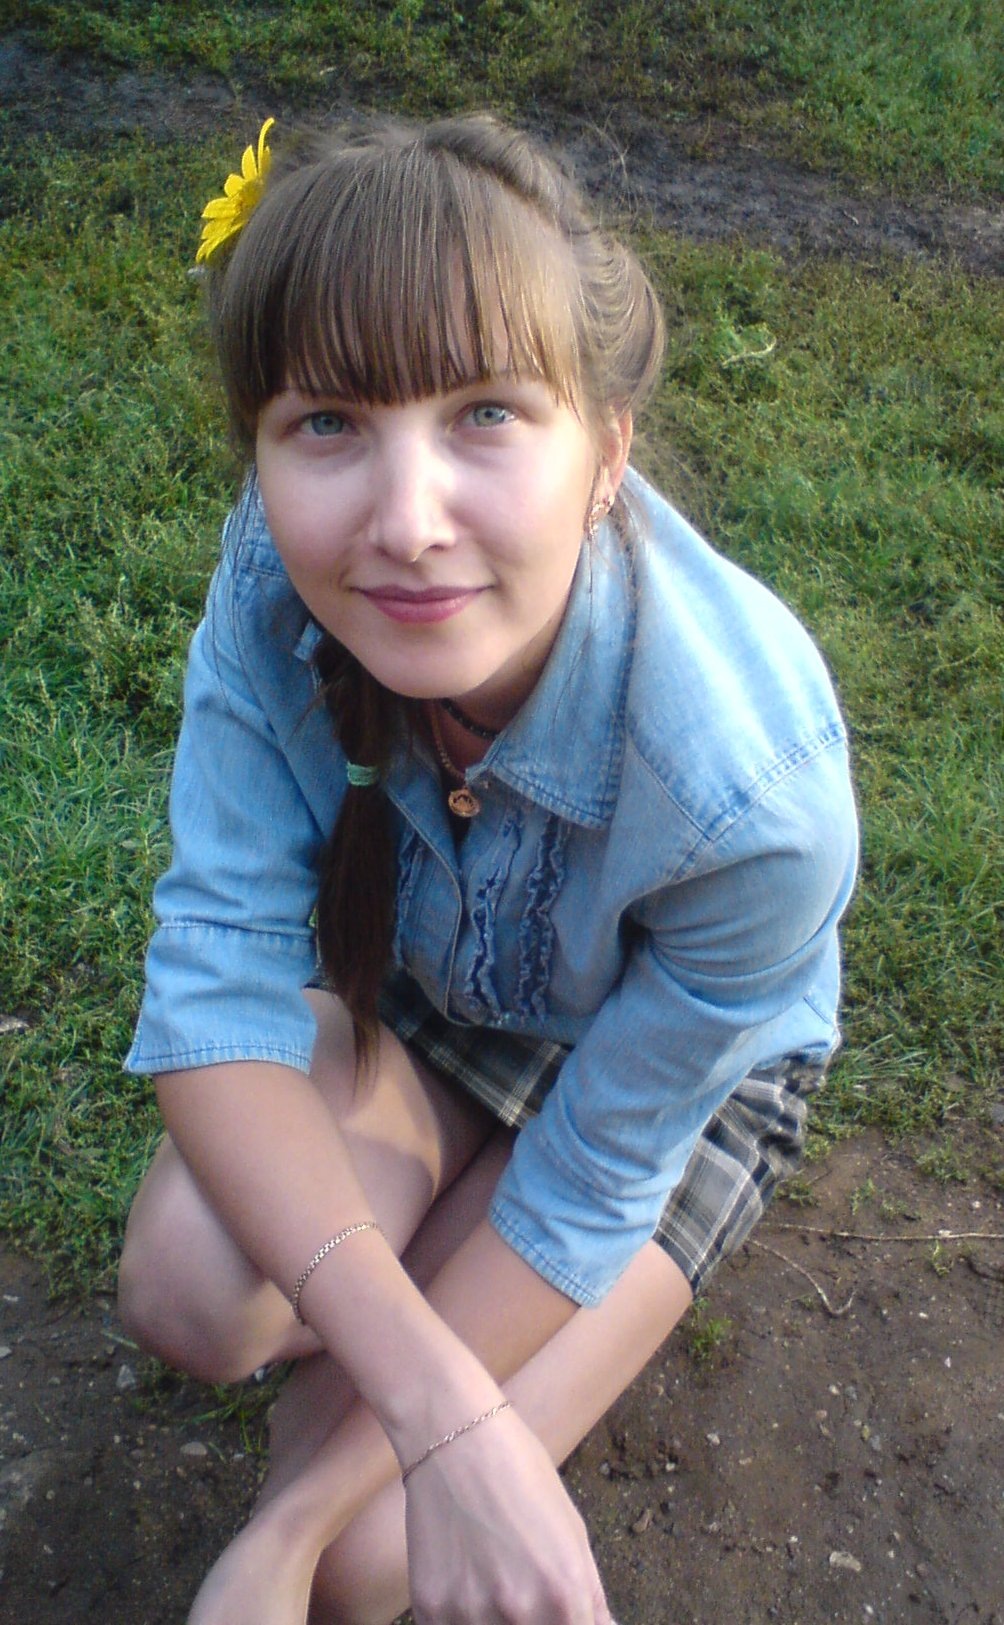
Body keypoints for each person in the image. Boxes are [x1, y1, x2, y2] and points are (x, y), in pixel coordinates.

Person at [117, 113, 858, 1625]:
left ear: (609, 451)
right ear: (259, 447)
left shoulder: (753, 796)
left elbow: (595, 1168)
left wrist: (292, 1529)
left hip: (664, 1084)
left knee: (364, 1564)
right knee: (192, 1281)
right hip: (440, 996)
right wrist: (433, 1401)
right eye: (328, 422)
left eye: (487, 413)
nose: (405, 525)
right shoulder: (273, 585)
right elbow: (216, 987)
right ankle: (414, 1261)